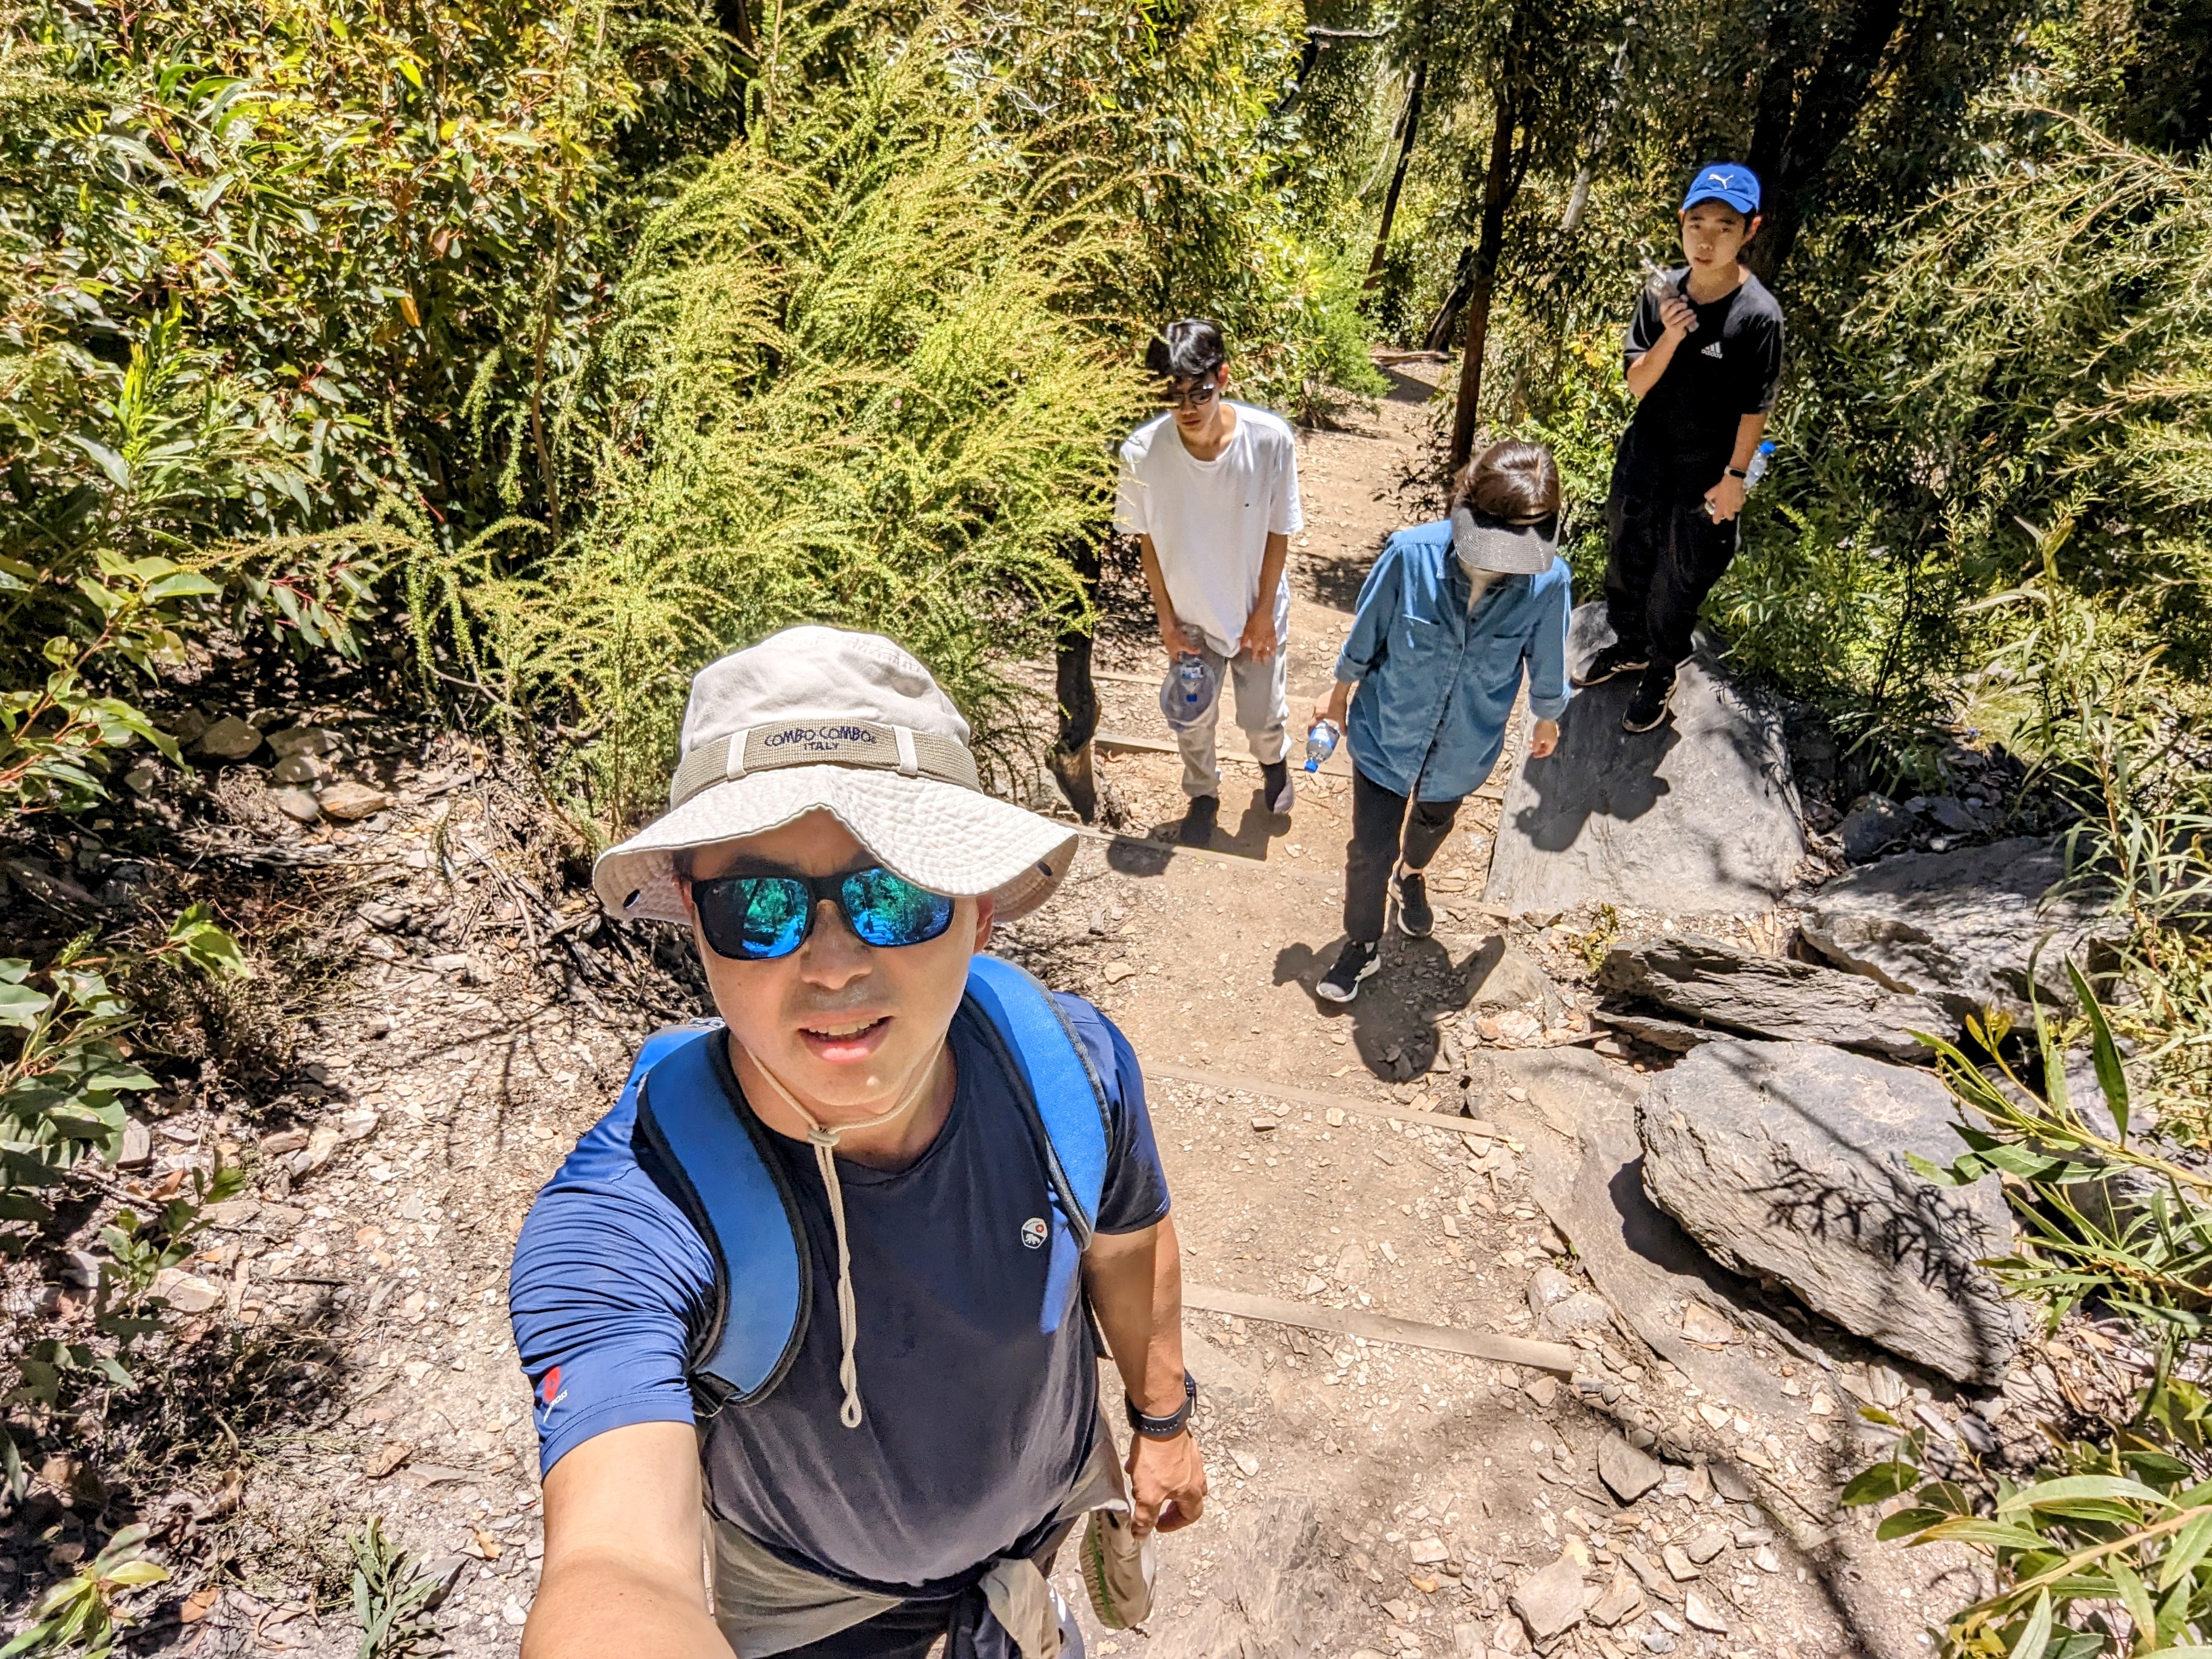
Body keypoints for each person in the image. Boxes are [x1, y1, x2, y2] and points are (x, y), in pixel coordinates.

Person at [509, 626, 1206, 1659]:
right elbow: (616, 1564)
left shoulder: (1069, 1066)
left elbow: (1126, 1243)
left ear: (977, 912)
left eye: (894, 893)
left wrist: (1162, 1419)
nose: (833, 964)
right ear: (694, 920)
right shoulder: (633, 1218)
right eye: (758, 906)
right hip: (822, 1616)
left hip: (1036, 1528)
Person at [1309, 441, 1571, 1004]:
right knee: (1367, 850)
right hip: (1387, 733)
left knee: (1431, 825)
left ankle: (1411, 874)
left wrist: (1547, 718)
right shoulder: (1410, 555)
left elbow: (1548, 660)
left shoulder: (1550, 582)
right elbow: (1366, 634)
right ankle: (1362, 944)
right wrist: (1337, 697)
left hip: (1464, 747)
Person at [1577, 162, 1784, 734]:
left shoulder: (1758, 316)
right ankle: (1631, 646)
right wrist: (1670, 332)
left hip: (1707, 467)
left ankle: (1662, 669)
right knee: (1627, 554)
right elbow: (1637, 383)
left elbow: (1756, 408)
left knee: (1680, 575)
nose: (1707, 240)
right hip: (1646, 453)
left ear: (1750, 230)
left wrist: (1735, 478)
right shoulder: (1661, 293)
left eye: (1725, 226)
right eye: (1697, 225)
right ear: (1682, 223)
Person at [1114, 318, 1305, 845]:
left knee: (1261, 715)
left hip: (1254, 606)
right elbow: (1148, 542)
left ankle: (1274, 761)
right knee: (1192, 719)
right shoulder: (1141, 453)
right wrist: (1166, 621)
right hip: (1190, 616)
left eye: (1199, 392)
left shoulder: (1269, 442)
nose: (1188, 408)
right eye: (1172, 396)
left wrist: (1263, 613)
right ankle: (1202, 794)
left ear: (1223, 377)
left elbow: (1279, 529)